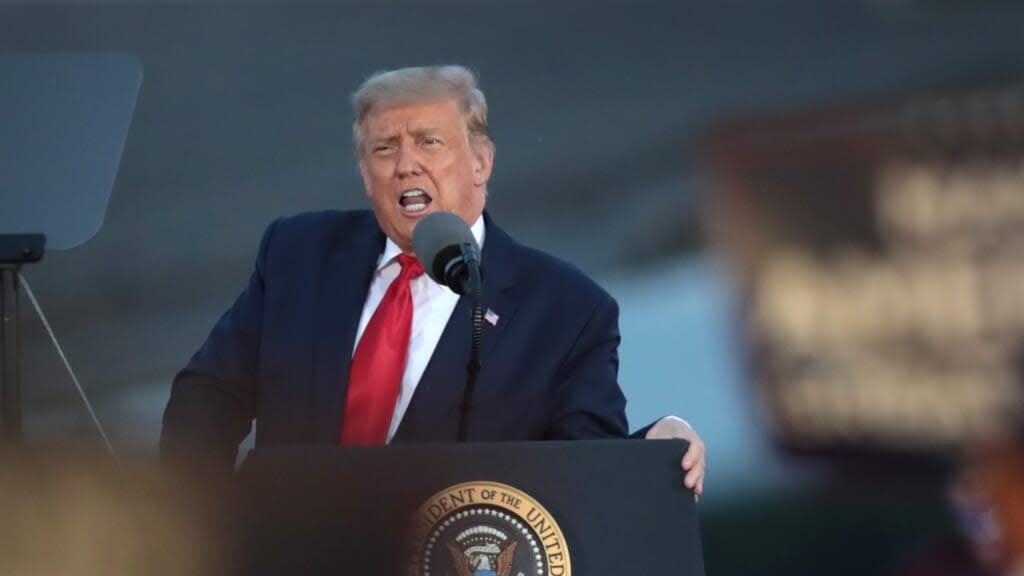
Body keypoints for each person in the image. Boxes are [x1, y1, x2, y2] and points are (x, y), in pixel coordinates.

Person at [160, 65, 706, 495]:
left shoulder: (567, 310)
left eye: (429, 142)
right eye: (384, 148)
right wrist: (198, 517)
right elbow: (210, 393)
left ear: (481, 163)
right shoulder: (298, 255)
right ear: (365, 175)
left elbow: (584, 469)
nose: (406, 165)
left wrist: (653, 456)